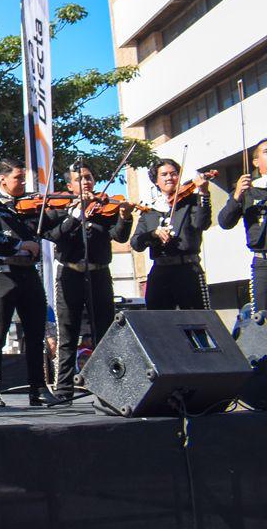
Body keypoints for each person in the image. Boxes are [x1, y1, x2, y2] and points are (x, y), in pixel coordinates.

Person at [0, 159, 60, 407]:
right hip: (3, 273)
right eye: (18, 178)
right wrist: (19, 244)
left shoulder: (32, 204)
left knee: (36, 335)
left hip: (29, 273)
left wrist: (66, 210)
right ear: (3, 179)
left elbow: (52, 228)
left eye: (24, 178)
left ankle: (38, 388)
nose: (23, 183)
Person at [45, 161, 132, 399]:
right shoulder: (60, 209)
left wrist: (124, 217)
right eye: (80, 178)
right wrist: (76, 215)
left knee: (105, 331)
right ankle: (64, 389)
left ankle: (108, 387)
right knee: (68, 332)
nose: (86, 182)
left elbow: (119, 236)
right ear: (69, 185)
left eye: (89, 177)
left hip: (99, 274)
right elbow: (53, 235)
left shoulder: (105, 207)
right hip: (70, 274)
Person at [132, 157, 213, 310]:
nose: (169, 177)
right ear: (156, 181)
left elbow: (202, 224)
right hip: (160, 272)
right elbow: (136, 243)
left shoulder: (192, 201)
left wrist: (203, 192)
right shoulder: (150, 210)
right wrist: (153, 234)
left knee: (197, 319)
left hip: (188, 270)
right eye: (164, 175)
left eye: (174, 173)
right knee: (159, 320)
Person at [219, 138, 267, 315]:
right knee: (262, 318)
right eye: (266, 152)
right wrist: (237, 195)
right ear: (256, 162)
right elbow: (225, 222)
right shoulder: (248, 191)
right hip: (263, 262)